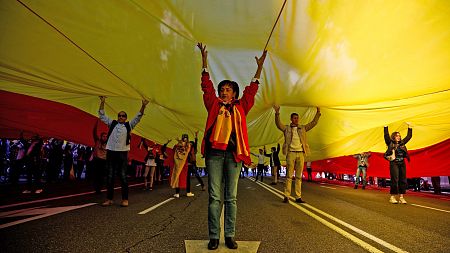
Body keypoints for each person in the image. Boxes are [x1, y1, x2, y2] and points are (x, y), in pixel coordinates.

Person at [197, 42, 266, 250]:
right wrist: (204, 61)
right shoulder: (213, 105)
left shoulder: (241, 107)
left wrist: (259, 68)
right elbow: (206, 86)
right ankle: (213, 237)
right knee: (214, 197)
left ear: (234, 94)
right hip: (214, 155)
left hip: (234, 156)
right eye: (222, 90)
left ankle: (229, 235)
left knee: (231, 198)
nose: (225, 92)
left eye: (228, 90)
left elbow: (251, 90)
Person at [98, 96, 148, 207]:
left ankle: (125, 199)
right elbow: (102, 115)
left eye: (123, 116)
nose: (121, 117)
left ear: (126, 118)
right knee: (110, 176)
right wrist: (102, 102)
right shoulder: (112, 123)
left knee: (123, 176)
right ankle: (109, 199)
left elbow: (138, 117)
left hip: (122, 153)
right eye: (119, 115)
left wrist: (143, 105)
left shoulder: (129, 125)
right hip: (111, 152)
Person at [273, 105, 321, 203]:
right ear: (291, 119)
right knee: (289, 176)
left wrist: (318, 112)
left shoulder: (302, 128)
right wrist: (277, 113)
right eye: (295, 118)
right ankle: (286, 196)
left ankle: (298, 197)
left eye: (297, 118)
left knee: (299, 177)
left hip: (301, 153)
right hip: (291, 153)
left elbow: (313, 123)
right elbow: (278, 124)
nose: (296, 119)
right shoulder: (287, 128)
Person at [384, 123, 412, 204]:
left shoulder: (402, 143)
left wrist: (410, 127)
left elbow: (409, 136)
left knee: (403, 180)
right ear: (393, 137)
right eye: (397, 136)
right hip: (394, 163)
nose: (399, 137)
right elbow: (386, 136)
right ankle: (392, 197)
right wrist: (385, 126)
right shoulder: (390, 143)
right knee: (395, 180)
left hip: (402, 162)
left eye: (399, 136)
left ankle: (401, 197)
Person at [92, 120, 107, 194]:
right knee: (96, 175)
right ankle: (96, 188)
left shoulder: (108, 144)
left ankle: (99, 188)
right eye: (103, 136)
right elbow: (94, 132)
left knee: (101, 176)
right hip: (96, 160)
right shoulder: (97, 141)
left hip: (104, 161)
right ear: (101, 137)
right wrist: (96, 122)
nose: (105, 137)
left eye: (106, 136)